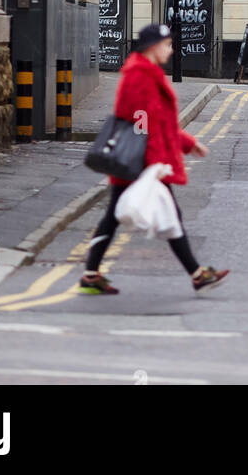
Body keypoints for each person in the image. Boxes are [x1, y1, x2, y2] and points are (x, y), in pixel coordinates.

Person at [80, 23, 229, 294]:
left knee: (115, 217)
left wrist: (189, 143)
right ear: (153, 46)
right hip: (142, 162)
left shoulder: (148, 73)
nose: (171, 51)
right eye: (168, 45)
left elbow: (160, 122)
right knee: (166, 216)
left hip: (143, 161)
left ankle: (90, 274)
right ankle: (197, 274)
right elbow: (140, 124)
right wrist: (152, 165)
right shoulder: (139, 76)